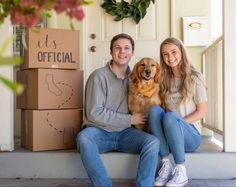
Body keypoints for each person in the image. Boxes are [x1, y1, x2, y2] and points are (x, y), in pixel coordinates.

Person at [76, 33, 160, 187]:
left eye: (127, 48)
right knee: (83, 138)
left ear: (132, 53)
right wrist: (130, 119)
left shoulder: (136, 78)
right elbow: (94, 113)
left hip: (126, 133)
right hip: (100, 132)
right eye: (118, 48)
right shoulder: (98, 76)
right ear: (111, 52)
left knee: (153, 142)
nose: (122, 52)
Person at [149, 37, 207, 187]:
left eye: (174, 52)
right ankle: (166, 164)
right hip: (169, 135)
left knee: (170, 117)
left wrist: (175, 122)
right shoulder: (163, 79)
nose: (170, 57)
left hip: (190, 135)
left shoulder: (195, 77)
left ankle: (181, 170)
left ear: (182, 51)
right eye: (165, 54)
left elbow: (201, 112)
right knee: (155, 110)